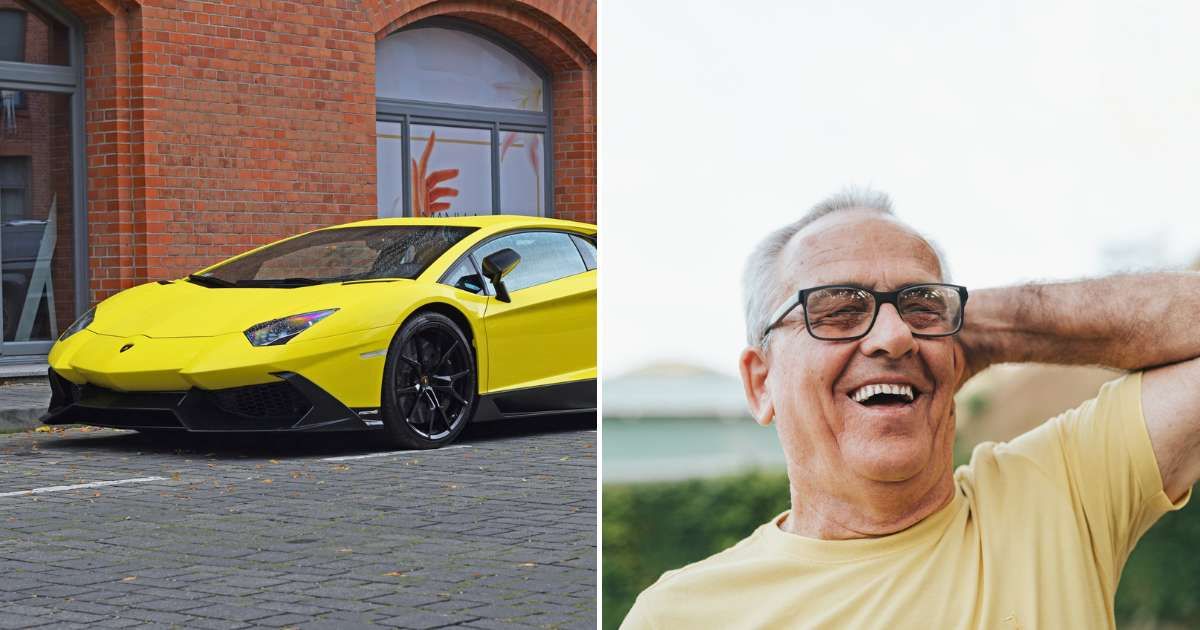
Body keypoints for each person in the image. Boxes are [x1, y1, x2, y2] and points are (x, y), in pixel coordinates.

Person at [621, 190, 1196, 629]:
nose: (895, 337)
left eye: (921, 307)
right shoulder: (680, 616)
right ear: (760, 382)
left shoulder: (1064, 491)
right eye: (838, 309)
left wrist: (980, 326)